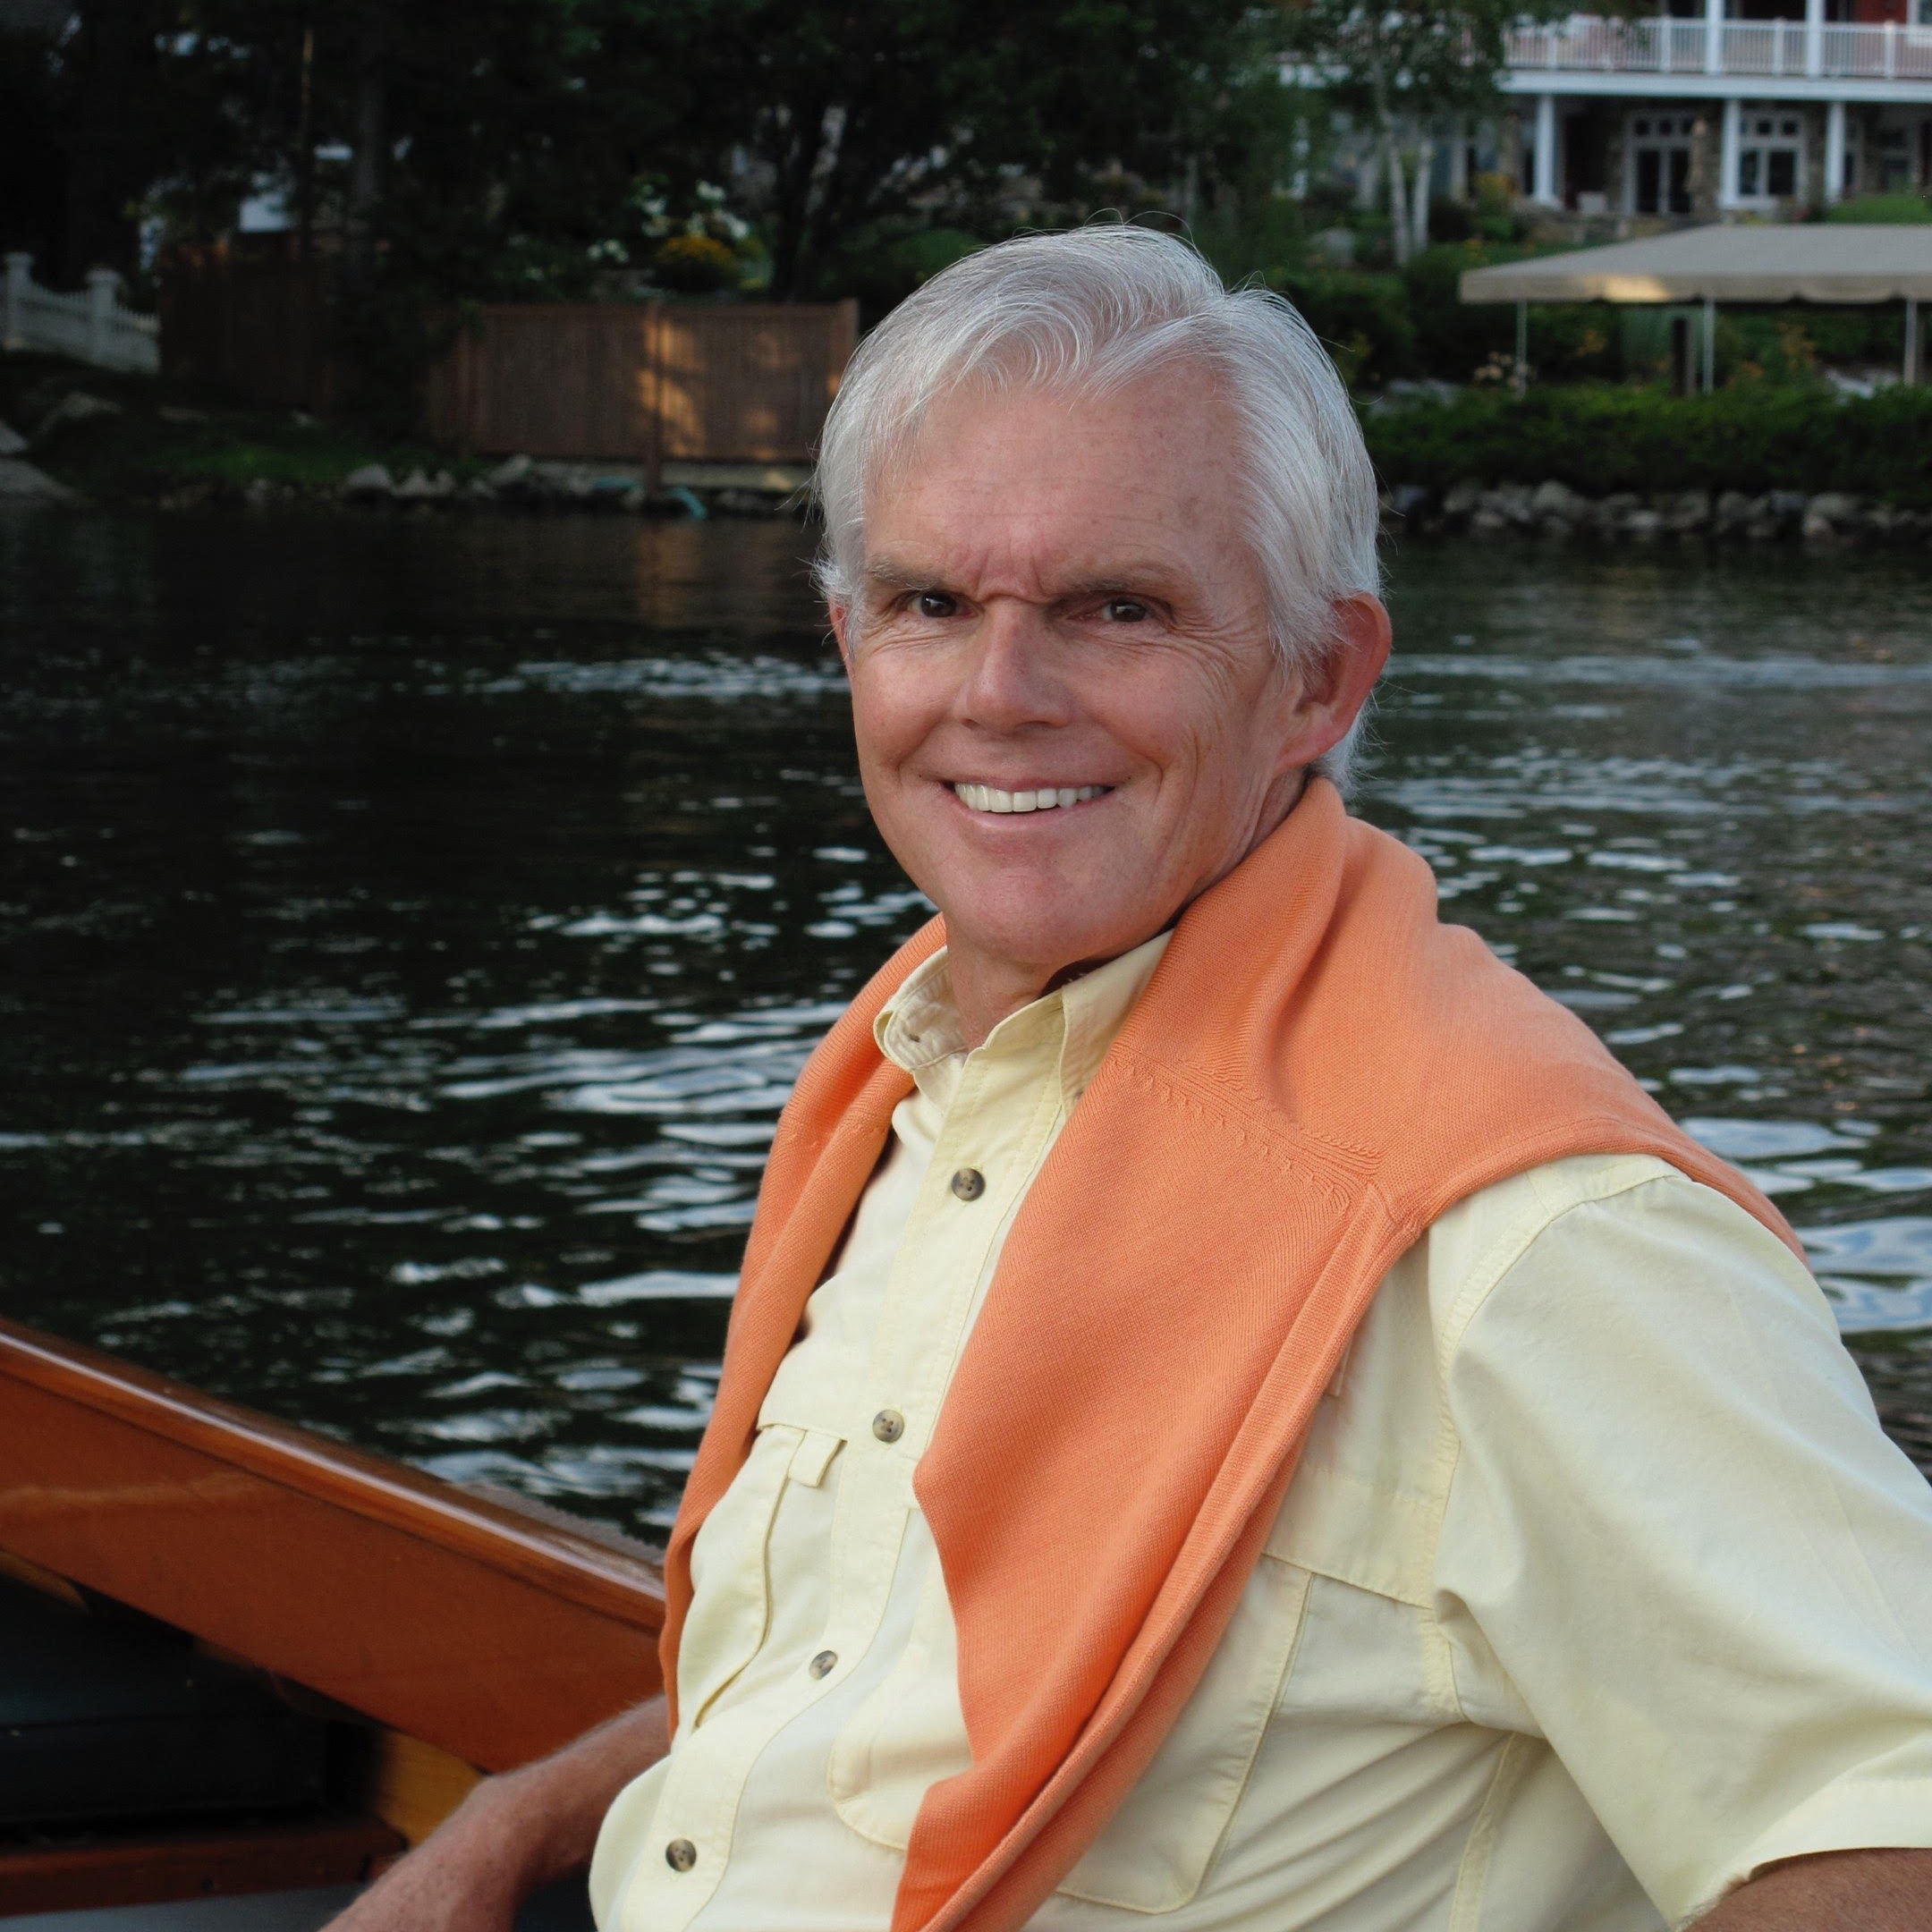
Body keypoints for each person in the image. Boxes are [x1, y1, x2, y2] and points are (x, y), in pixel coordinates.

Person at [327, 227, 1932, 1932]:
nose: (1001, 695)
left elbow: (1894, 1833)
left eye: (1120, 609)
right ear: (847, 641)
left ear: (1319, 677)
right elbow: (911, 1650)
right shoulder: (916, 1087)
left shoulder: (1532, 1236)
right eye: (931, 605)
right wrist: (522, 1821)